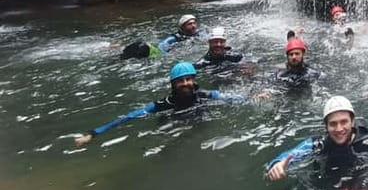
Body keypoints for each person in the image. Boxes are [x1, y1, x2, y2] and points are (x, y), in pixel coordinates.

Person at [74, 62, 244, 146]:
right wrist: (92, 134)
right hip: (173, 123)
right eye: (180, 81)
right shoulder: (163, 104)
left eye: (188, 79)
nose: (185, 83)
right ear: (173, 84)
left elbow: (231, 97)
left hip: (199, 121)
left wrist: (255, 98)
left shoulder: (205, 95)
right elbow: (128, 117)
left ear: (194, 80)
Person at [265, 96, 368, 186]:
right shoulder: (318, 144)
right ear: (326, 126)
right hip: (327, 183)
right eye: (333, 124)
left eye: (344, 122)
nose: (339, 129)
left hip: (359, 185)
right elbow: (289, 156)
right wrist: (277, 165)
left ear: (353, 122)